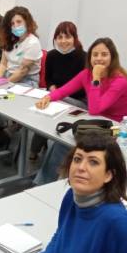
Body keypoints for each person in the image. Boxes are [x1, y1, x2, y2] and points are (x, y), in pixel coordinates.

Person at [34, 37, 127, 185]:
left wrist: (96, 78)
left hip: (118, 126)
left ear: (112, 57)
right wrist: (48, 97)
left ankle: (48, 183)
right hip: (97, 120)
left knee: (65, 144)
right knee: (61, 140)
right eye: (95, 54)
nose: (99, 58)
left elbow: (94, 109)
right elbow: (63, 91)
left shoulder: (120, 81)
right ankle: (44, 183)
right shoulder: (86, 74)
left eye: (104, 54)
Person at [29, 21, 87, 161]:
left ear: (75, 38)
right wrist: (52, 88)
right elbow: (48, 79)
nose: (63, 41)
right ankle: (34, 150)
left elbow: (83, 88)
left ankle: (38, 150)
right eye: (59, 37)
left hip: (78, 101)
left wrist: (57, 95)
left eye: (67, 37)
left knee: (49, 105)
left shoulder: (84, 57)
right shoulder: (52, 55)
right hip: (57, 97)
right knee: (44, 110)